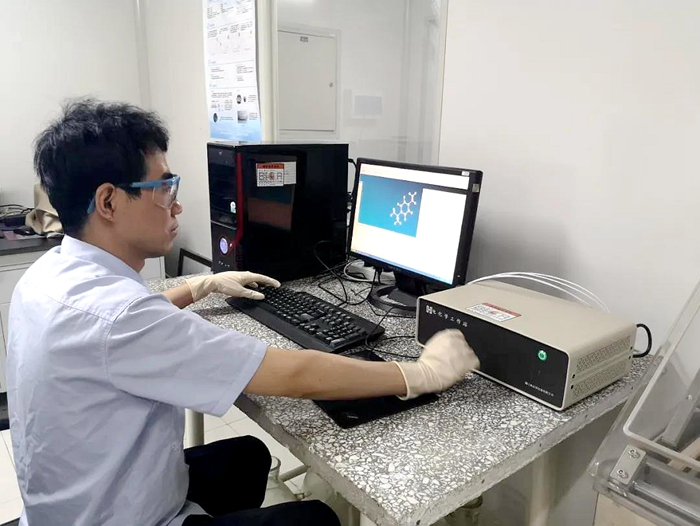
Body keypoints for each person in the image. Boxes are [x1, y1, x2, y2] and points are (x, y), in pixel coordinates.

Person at [6, 99, 480, 526]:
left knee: (250, 455)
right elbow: (295, 375)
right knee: (314, 519)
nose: (177, 205)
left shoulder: (50, 275)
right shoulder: (120, 317)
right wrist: (420, 374)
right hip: (120, 517)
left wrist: (201, 285)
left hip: (75, 504)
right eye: (164, 187)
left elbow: (116, 332)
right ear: (109, 201)